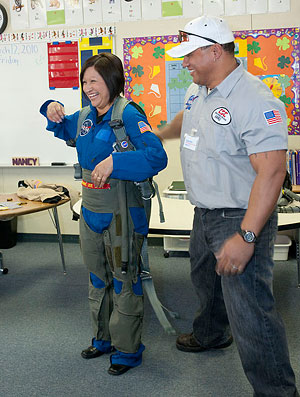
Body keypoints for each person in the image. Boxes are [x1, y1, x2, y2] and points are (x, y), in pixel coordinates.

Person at [155, 15, 299, 396]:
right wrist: (161, 133)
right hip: (204, 210)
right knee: (206, 282)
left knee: (251, 312)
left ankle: (277, 391)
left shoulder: (254, 99)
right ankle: (211, 335)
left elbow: (272, 172)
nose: (183, 62)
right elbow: (188, 119)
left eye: (190, 54)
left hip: (239, 215)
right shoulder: (200, 89)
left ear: (214, 51)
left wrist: (246, 235)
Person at [40, 53, 167, 376]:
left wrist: (116, 163)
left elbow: (156, 156)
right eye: (84, 82)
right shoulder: (85, 116)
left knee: (125, 278)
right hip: (91, 208)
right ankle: (103, 338)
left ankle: (127, 351)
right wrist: (50, 106)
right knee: (98, 277)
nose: (88, 88)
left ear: (112, 81)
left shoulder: (129, 115)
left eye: (94, 81)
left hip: (123, 209)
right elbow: (59, 125)